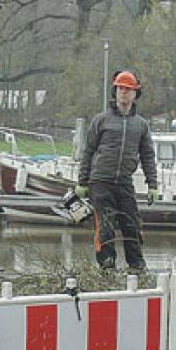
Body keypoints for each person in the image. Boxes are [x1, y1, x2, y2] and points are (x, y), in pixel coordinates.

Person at [75, 70, 158, 272]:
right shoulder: (100, 120)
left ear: (135, 94)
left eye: (128, 90)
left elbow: (148, 156)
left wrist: (153, 184)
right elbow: (89, 151)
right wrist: (82, 181)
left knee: (131, 224)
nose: (124, 93)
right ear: (115, 91)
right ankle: (107, 265)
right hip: (100, 182)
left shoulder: (141, 125)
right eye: (121, 88)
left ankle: (137, 265)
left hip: (124, 182)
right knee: (105, 225)